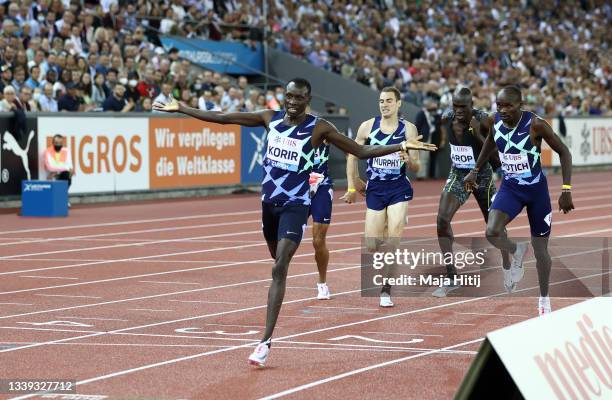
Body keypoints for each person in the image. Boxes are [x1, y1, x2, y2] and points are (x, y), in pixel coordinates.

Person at [153, 78, 437, 367]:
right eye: (288, 96)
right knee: (274, 256)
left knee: (280, 266)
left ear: (307, 99)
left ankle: (264, 342)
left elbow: (359, 151)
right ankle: (270, 316)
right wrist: (182, 108)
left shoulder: (319, 127)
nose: (291, 101)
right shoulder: (270, 118)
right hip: (269, 206)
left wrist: (399, 145)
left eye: (297, 97)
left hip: (296, 204)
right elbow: (224, 118)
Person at [464, 85, 574, 315]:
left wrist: (566, 189)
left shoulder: (536, 124)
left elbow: (564, 152)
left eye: (508, 106)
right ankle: (517, 250)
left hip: (536, 193)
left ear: (520, 106)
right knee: (492, 231)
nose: (503, 110)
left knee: (541, 249)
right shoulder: (495, 121)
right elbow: (490, 143)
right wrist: (475, 169)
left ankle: (544, 300)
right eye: (499, 105)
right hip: (511, 188)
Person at [341, 87, 421, 308]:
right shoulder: (367, 127)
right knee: (373, 244)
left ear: (398, 104)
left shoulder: (408, 129)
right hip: (375, 189)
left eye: (388, 101)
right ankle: (390, 221)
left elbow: (417, 165)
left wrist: (408, 159)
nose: (384, 104)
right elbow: (352, 154)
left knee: (394, 238)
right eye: (381, 101)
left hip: (398, 188)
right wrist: (352, 184)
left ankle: (386, 290)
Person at [433, 87, 509, 297]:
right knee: (441, 219)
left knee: (493, 226)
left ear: (471, 106)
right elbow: (444, 140)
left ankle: (508, 264)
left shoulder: (483, 120)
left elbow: (496, 151)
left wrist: (477, 135)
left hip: (481, 175)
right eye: (455, 106)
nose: (458, 111)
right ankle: (451, 276)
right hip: (458, 173)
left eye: (462, 107)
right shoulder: (445, 119)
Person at [308, 140, 333, 300]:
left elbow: (350, 151)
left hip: (322, 185)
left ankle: (322, 283)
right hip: (296, 185)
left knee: (318, 240)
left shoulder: (323, 128)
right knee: (287, 240)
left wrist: (352, 184)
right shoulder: (287, 129)